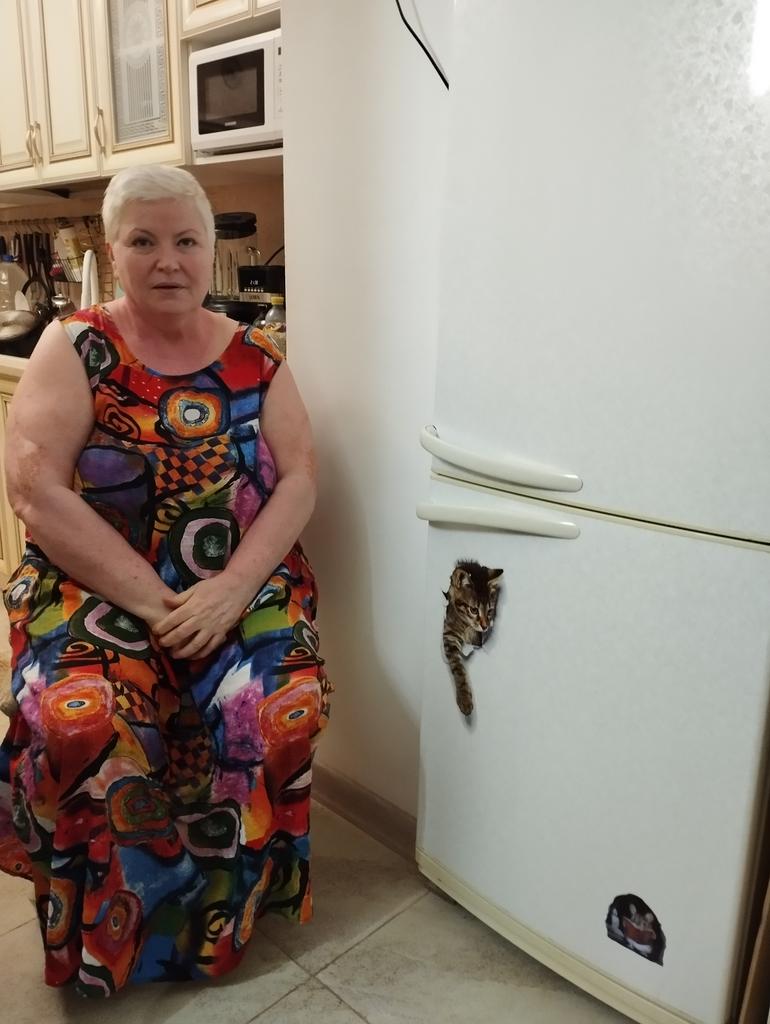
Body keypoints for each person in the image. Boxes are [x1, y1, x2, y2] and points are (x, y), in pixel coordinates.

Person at [0, 164, 332, 997]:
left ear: (209, 250)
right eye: (144, 241)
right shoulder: (75, 345)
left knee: (281, 699)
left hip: (239, 582)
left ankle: (216, 928)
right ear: (114, 253)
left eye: (186, 240)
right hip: (94, 586)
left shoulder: (257, 356)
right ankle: (110, 939)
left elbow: (299, 479)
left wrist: (232, 589)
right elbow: (34, 492)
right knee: (85, 718)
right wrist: (157, 603)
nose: (168, 260)